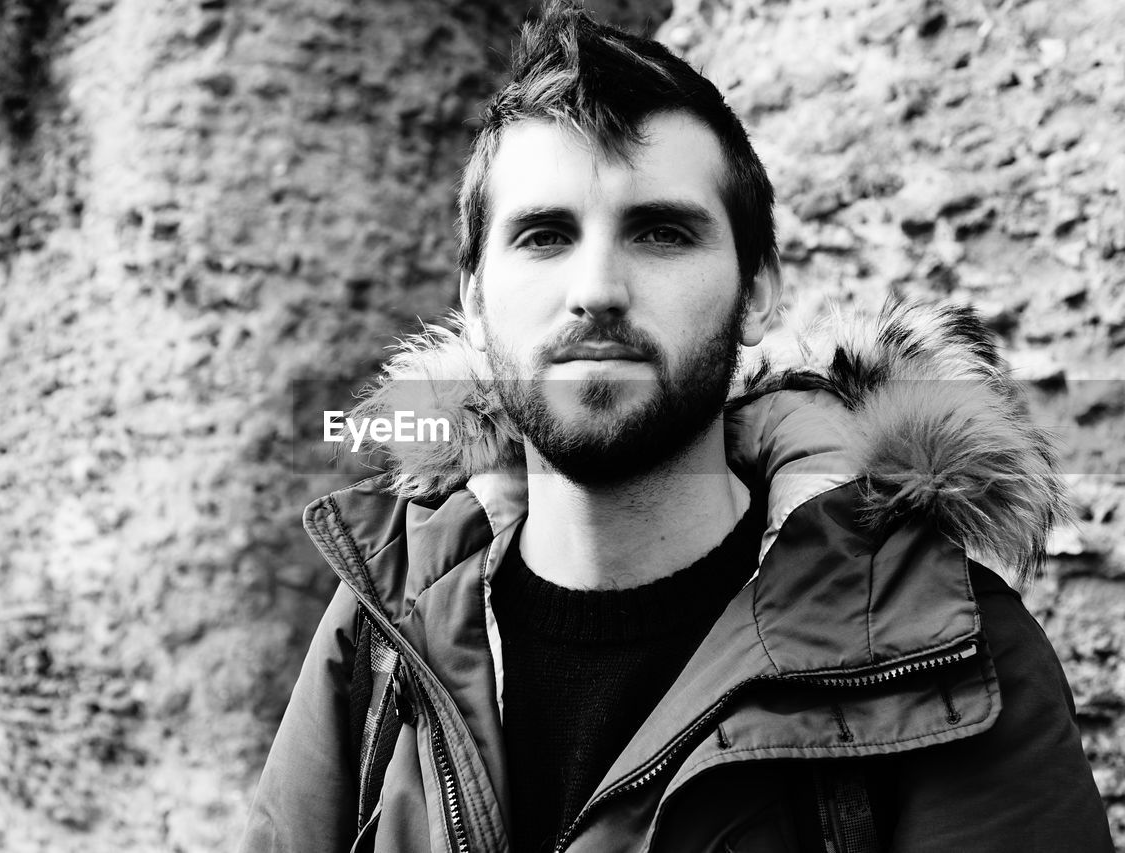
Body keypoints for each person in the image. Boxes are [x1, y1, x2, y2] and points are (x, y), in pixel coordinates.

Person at [239, 2, 1114, 851]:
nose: (598, 288)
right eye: (544, 236)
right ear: (472, 301)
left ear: (758, 291)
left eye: (660, 232)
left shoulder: (944, 647)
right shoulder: (385, 625)